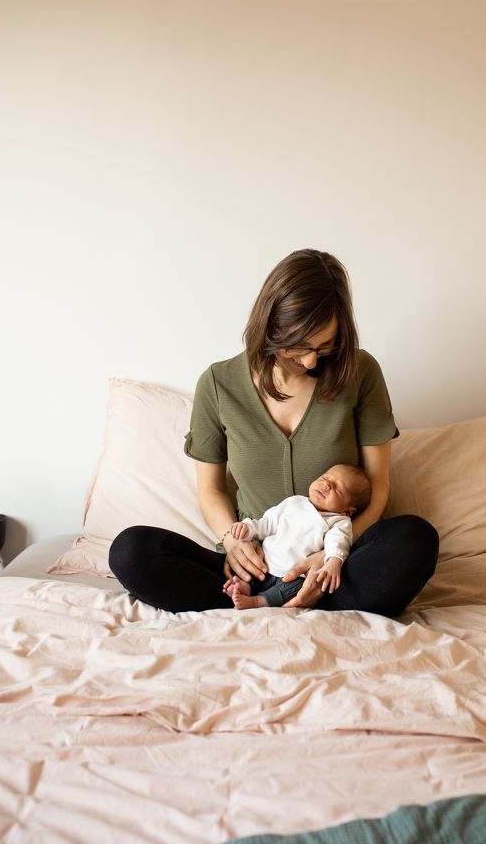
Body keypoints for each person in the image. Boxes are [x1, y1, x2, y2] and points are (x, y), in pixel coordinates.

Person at [108, 248, 439, 616]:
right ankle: (266, 602)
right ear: (270, 328)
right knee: (131, 550)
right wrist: (234, 545)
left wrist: (327, 558)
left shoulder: (360, 372)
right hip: (254, 566)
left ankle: (302, 602)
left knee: (415, 539)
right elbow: (211, 488)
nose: (313, 361)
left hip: (336, 566)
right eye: (300, 347)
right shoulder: (219, 384)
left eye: (326, 346)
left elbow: (377, 487)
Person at [222, 463, 370, 609]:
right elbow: (267, 523)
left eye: (337, 489)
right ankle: (245, 587)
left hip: (294, 574)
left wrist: (334, 562)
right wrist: (247, 527)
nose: (326, 485)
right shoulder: (295, 502)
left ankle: (258, 602)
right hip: (266, 561)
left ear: (347, 511)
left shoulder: (338, 522)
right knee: (249, 563)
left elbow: (338, 543)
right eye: (324, 478)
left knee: (295, 587)